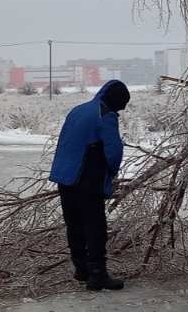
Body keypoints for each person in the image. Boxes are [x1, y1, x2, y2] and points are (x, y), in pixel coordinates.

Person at [49, 79, 130, 291]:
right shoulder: (105, 115)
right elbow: (114, 151)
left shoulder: (78, 110)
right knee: (95, 227)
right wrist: (111, 173)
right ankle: (97, 275)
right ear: (116, 101)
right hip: (86, 178)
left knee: (74, 224)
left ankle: (81, 269)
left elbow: (65, 141)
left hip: (65, 177)